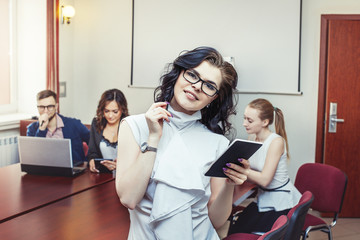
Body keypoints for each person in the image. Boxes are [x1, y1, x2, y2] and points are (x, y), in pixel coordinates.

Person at [115, 46, 248, 240]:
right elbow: (128, 198)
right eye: (192, 75)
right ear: (178, 74)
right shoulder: (134, 126)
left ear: (214, 98)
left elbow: (216, 220)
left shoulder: (217, 143)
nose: (196, 86)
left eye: (209, 86)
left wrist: (229, 184)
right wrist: (153, 138)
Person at [227, 98, 301, 235]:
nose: (244, 124)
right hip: (263, 198)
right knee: (235, 230)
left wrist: (242, 171)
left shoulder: (276, 142)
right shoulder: (252, 139)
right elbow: (252, 174)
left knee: (258, 235)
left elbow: (265, 179)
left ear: (265, 122)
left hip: (280, 202)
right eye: (244, 118)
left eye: (249, 120)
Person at [27, 89, 90, 166]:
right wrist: (42, 129)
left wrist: (87, 162)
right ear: (37, 107)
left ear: (56, 106)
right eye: (42, 107)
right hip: (45, 171)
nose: (46, 111)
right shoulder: (32, 129)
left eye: (50, 106)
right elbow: (32, 157)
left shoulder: (74, 124)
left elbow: (93, 143)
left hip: (72, 171)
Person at [87, 89, 129, 173]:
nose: (110, 116)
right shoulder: (96, 123)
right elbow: (92, 152)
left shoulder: (129, 125)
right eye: (106, 111)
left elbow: (135, 158)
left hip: (125, 175)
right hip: (103, 176)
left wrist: (120, 166)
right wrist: (92, 160)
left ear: (122, 110)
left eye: (115, 112)